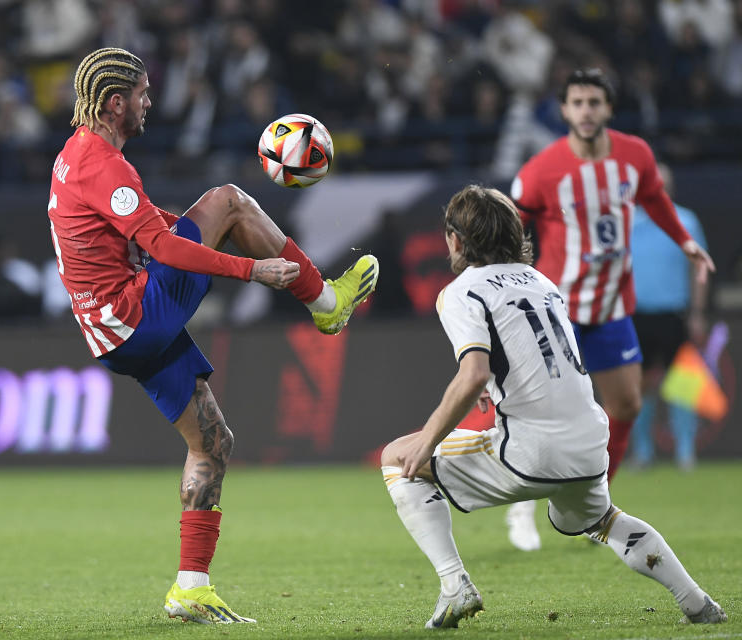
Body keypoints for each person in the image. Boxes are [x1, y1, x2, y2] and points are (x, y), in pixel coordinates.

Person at [46, 47, 379, 625]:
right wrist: (254, 270)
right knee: (229, 200)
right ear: (114, 103)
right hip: (134, 315)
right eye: (144, 94)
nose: (151, 102)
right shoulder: (104, 163)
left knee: (213, 443)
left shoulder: (76, 156)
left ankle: (190, 589)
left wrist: (162, 224)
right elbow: (167, 249)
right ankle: (326, 302)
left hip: (111, 333)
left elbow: (122, 231)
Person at [380, 185, 726, 629]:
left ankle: (455, 585)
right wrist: (487, 379)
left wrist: (427, 441)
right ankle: (698, 603)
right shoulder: (542, 281)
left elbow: (471, 373)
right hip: (588, 442)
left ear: (455, 240)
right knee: (603, 519)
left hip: (531, 450)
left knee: (398, 459)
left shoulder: (462, 290)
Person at [503, 68, 715, 551]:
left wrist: (685, 242)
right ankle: (521, 507)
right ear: (564, 110)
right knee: (542, 410)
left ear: (608, 109)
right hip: (559, 312)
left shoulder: (635, 154)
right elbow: (512, 227)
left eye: (594, 102)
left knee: (625, 405)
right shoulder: (541, 169)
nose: (585, 111)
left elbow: (655, 198)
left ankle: (594, 509)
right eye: (576, 102)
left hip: (613, 308)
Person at [631, 164, 709, 470]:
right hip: (635, 316)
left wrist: (698, 313)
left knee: (683, 385)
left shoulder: (686, 220)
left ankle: (685, 451)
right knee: (639, 387)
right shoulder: (627, 223)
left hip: (675, 314)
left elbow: (698, 269)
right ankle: (643, 451)